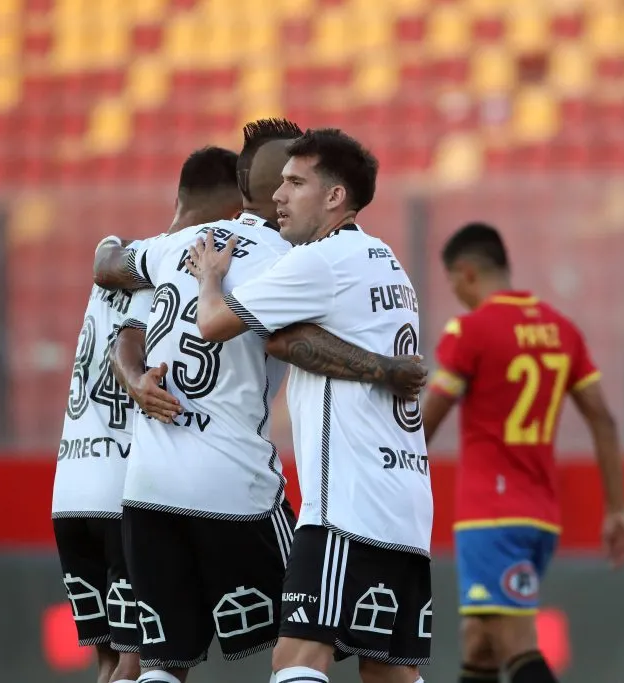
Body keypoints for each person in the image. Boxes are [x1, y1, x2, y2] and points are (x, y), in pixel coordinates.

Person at [190, 128, 433, 683]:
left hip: (346, 504)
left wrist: (210, 278)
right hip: (406, 500)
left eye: (296, 183)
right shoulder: (387, 262)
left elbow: (214, 324)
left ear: (334, 196)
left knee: (296, 658)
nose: (278, 196)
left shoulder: (322, 261)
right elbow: (290, 339)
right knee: (389, 672)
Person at [53, 145, 243, 683]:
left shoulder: (119, 262)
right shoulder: (172, 272)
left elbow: (105, 256)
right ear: (234, 214)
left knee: (111, 664)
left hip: (72, 488)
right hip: (125, 493)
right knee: (142, 664)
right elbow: (131, 347)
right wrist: (138, 380)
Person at [421, 222, 624, 683]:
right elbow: (604, 419)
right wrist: (617, 509)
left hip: (490, 514)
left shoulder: (470, 330)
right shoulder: (562, 330)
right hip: (540, 515)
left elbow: (428, 420)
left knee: (514, 642)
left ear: (466, 273)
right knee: (480, 639)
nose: (455, 293)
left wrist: (390, 468)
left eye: (453, 282)